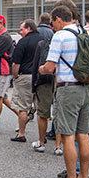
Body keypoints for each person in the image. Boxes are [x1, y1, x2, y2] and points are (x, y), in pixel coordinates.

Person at [39, 6, 89, 178]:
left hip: (68, 89)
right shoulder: (84, 33)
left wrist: (42, 69)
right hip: (87, 88)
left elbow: (50, 66)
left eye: (53, 22)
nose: (52, 26)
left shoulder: (60, 36)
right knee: (83, 135)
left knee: (68, 136)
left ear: (58, 19)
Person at [11, 19, 45, 143]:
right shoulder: (43, 40)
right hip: (41, 75)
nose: (20, 32)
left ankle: (21, 133)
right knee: (42, 108)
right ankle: (42, 136)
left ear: (29, 28)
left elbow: (16, 63)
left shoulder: (23, 42)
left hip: (25, 76)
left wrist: (15, 76)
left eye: (21, 29)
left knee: (22, 108)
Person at [31, 22, 58, 154]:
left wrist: (33, 86)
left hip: (44, 80)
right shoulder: (69, 40)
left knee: (42, 113)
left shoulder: (42, 44)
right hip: (61, 80)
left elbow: (36, 65)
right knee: (58, 113)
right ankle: (58, 145)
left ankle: (41, 143)